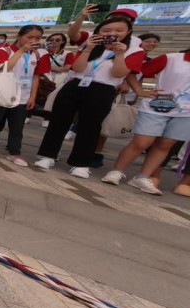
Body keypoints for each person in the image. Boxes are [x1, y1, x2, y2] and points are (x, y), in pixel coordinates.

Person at [35, 15, 144, 177]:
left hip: (103, 89)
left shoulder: (135, 50)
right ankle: (48, 155)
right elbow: (77, 68)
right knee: (59, 121)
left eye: (118, 30)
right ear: (99, 31)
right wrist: (87, 49)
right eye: (107, 30)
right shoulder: (91, 43)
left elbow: (118, 73)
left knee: (90, 126)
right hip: (76, 84)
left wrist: (119, 54)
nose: (112, 33)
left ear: (128, 32)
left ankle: (80, 163)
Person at [102, 48, 190, 194]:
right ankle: (117, 171)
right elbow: (133, 72)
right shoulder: (171, 58)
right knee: (142, 142)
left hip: (185, 113)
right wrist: (139, 91)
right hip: (157, 106)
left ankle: (143, 177)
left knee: (165, 144)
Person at [0, 25, 44, 165]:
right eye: (30, 37)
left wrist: (32, 96)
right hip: (0, 95)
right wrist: (21, 51)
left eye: (37, 38)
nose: (33, 40)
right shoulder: (5, 51)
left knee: (17, 126)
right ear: (19, 36)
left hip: (22, 96)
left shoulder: (38, 54)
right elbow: (4, 68)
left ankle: (15, 152)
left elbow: (36, 76)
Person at [36, 33, 75, 126]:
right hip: (43, 76)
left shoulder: (67, 53)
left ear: (63, 41)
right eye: (51, 39)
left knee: (52, 97)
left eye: (57, 40)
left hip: (59, 78)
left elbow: (67, 68)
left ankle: (47, 118)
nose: (53, 42)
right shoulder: (43, 51)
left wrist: (48, 67)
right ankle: (28, 115)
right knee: (37, 94)